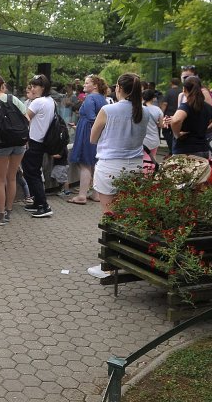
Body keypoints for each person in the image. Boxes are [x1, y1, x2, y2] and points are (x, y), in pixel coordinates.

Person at [86, 74, 148, 279]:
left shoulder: (108, 110)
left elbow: (93, 138)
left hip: (110, 167)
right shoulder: (145, 112)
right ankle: (129, 258)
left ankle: (110, 265)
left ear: (120, 87)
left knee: (109, 215)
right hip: (136, 167)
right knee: (130, 214)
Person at [0, 76, 28, 225]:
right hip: (19, 142)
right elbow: (27, 118)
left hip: (2, 143)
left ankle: (1, 214)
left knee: (0, 180)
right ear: (3, 86)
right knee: (12, 177)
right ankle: (9, 210)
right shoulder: (14, 99)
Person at [67, 74, 108, 205]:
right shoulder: (102, 98)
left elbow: (91, 118)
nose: (84, 85)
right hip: (98, 134)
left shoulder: (90, 98)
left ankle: (81, 195)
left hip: (87, 133)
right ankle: (96, 193)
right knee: (94, 163)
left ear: (94, 85)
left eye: (86, 83)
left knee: (85, 163)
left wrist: (81, 126)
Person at [22, 73, 56, 218]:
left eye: (35, 86)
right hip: (42, 141)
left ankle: (43, 205)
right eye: (32, 86)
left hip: (33, 141)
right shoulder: (51, 101)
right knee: (32, 172)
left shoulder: (38, 102)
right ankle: (37, 202)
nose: (33, 89)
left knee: (32, 173)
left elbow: (24, 117)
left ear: (43, 87)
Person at [168, 76, 212, 158]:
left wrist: (177, 134)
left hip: (185, 152)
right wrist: (206, 130)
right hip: (203, 150)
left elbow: (176, 120)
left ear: (184, 89)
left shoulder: (186, 106)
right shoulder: (206, 107)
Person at [142, 89, 164, 173]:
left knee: (144, 158)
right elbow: (161, 125)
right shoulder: (158, 109)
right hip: (154, 138)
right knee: (153, 157)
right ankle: (152, 174)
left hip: (143, 139)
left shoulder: (140, 108)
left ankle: (145, 175)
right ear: (153, 98)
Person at [160, 77, 181, 155]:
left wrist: (161, 113)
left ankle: (171, 148)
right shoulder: (181, 92)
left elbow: (165, 104)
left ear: (171, 83)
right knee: (174, 132)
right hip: (178, 115)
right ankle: (175, 148)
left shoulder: (169, 92)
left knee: (165, 131)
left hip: (168, 116)